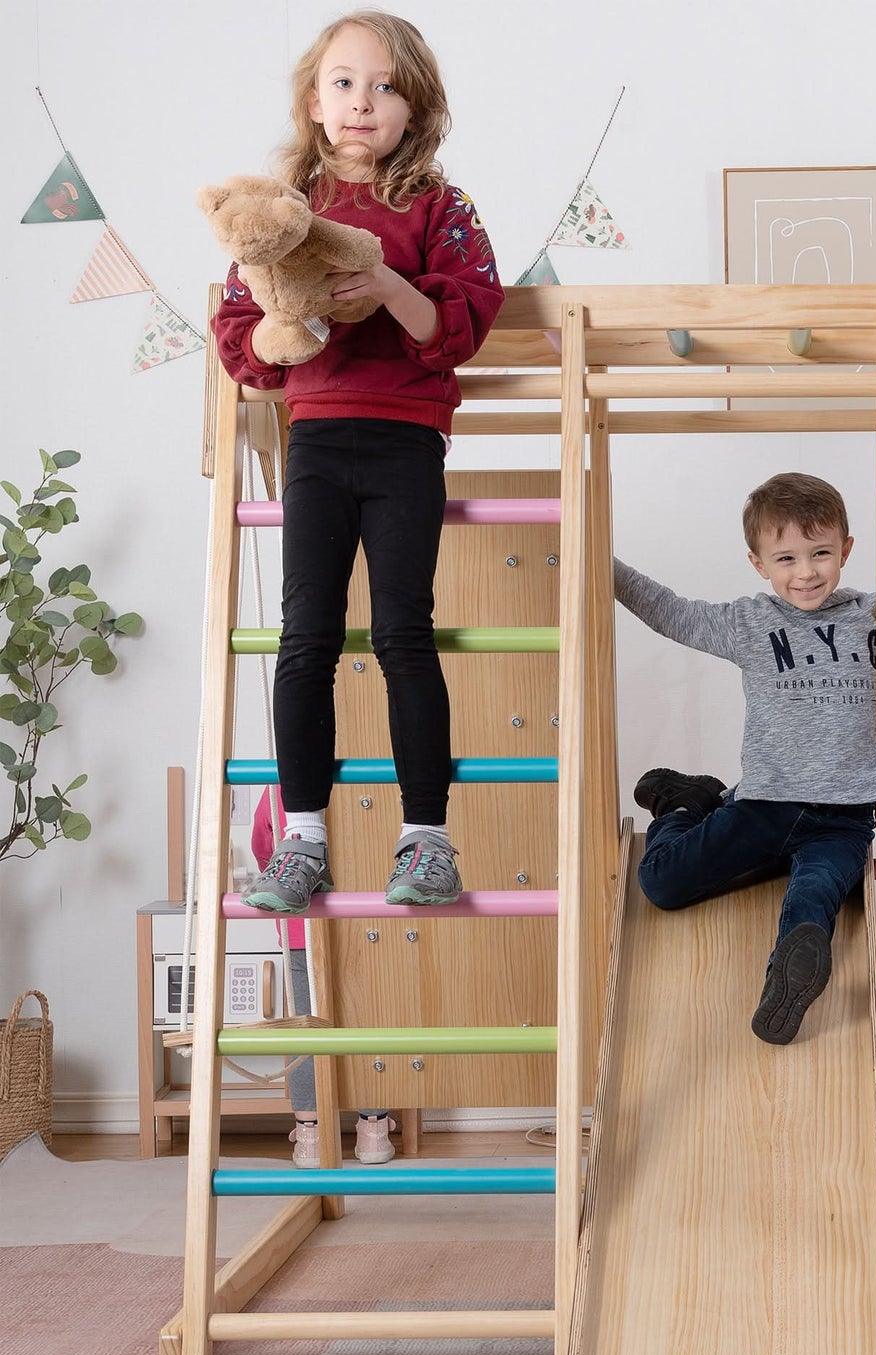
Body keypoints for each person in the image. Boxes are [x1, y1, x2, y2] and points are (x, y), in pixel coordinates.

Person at [213, 10, 505, 915]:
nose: (361, 102)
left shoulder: (439, 205)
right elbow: (245, 342)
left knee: (401, 633)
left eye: (384, 87)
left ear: (415, 110)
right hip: (317, 442)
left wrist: (388, 286)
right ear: (313, 99)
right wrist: (277, 327)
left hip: (406, 439)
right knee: (306, 639)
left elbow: (463, 324)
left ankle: (427, 839)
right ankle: (302, 841)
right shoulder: (279, 206)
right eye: (343, 83)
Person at [616, 472, 876, 1045]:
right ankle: (682, 804)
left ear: (846, 551)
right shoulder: (749, 622)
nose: (805, 571)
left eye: (820, 553)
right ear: (759, 563)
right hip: (765, 804)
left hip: (846, 813)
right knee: (660, 883)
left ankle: (791, 972)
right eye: (785, 558)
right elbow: (668, 611)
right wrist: (602, 564)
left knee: (818, 895)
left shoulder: (871, 612)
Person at [252, 790, 396, 1167]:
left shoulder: (281, 785)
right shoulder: (364, 784)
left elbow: (264, 846)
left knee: (305, 1030)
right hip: (364, 925)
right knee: (368, 1024)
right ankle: (373, 1129)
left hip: (303, 926)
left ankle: (310, 1136)